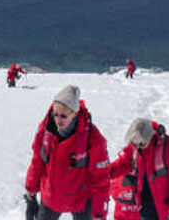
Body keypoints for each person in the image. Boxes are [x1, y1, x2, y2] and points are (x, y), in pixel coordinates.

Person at [25, 85, 110, 220]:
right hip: (51, 198)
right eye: (55, 114)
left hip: (80, 200)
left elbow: (101, 178)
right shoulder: (46, 130)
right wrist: (30, 187)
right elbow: (37, 160)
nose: (58, 120)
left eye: (63, 116)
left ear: (75, 113)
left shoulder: (93, 138)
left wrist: (99, 211)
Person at [110, 118, 169, 220]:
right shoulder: (137, 147)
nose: (138, 147)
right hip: (145, 205)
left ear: (151, 136)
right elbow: (124, 162)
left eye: (141, 144)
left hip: (165, 206)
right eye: (134, 144)